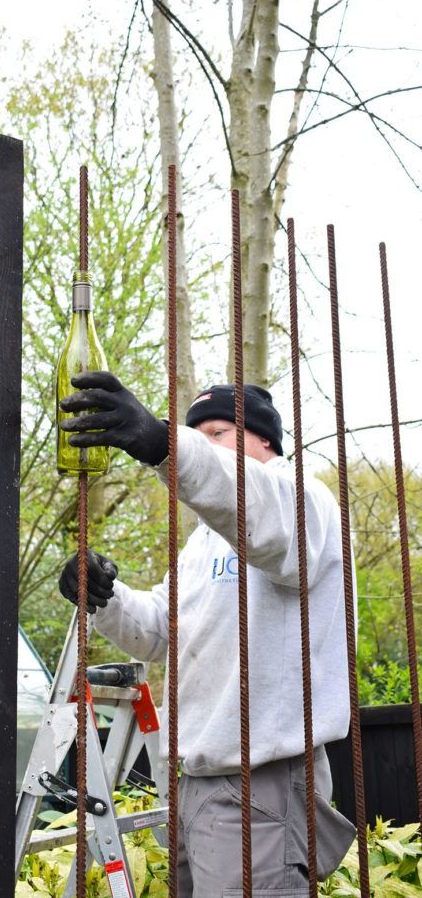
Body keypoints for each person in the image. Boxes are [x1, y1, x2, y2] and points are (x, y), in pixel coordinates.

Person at [58, 372, 356, 897]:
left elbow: (250, 498)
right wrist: (103, 596)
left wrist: (164, 442)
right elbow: (158, 631)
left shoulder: (302, 500)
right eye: (197, 432)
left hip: (259, 785)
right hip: (194, 783)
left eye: (217, 432)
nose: (204, 442)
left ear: (264, 438)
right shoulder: (204, 543)